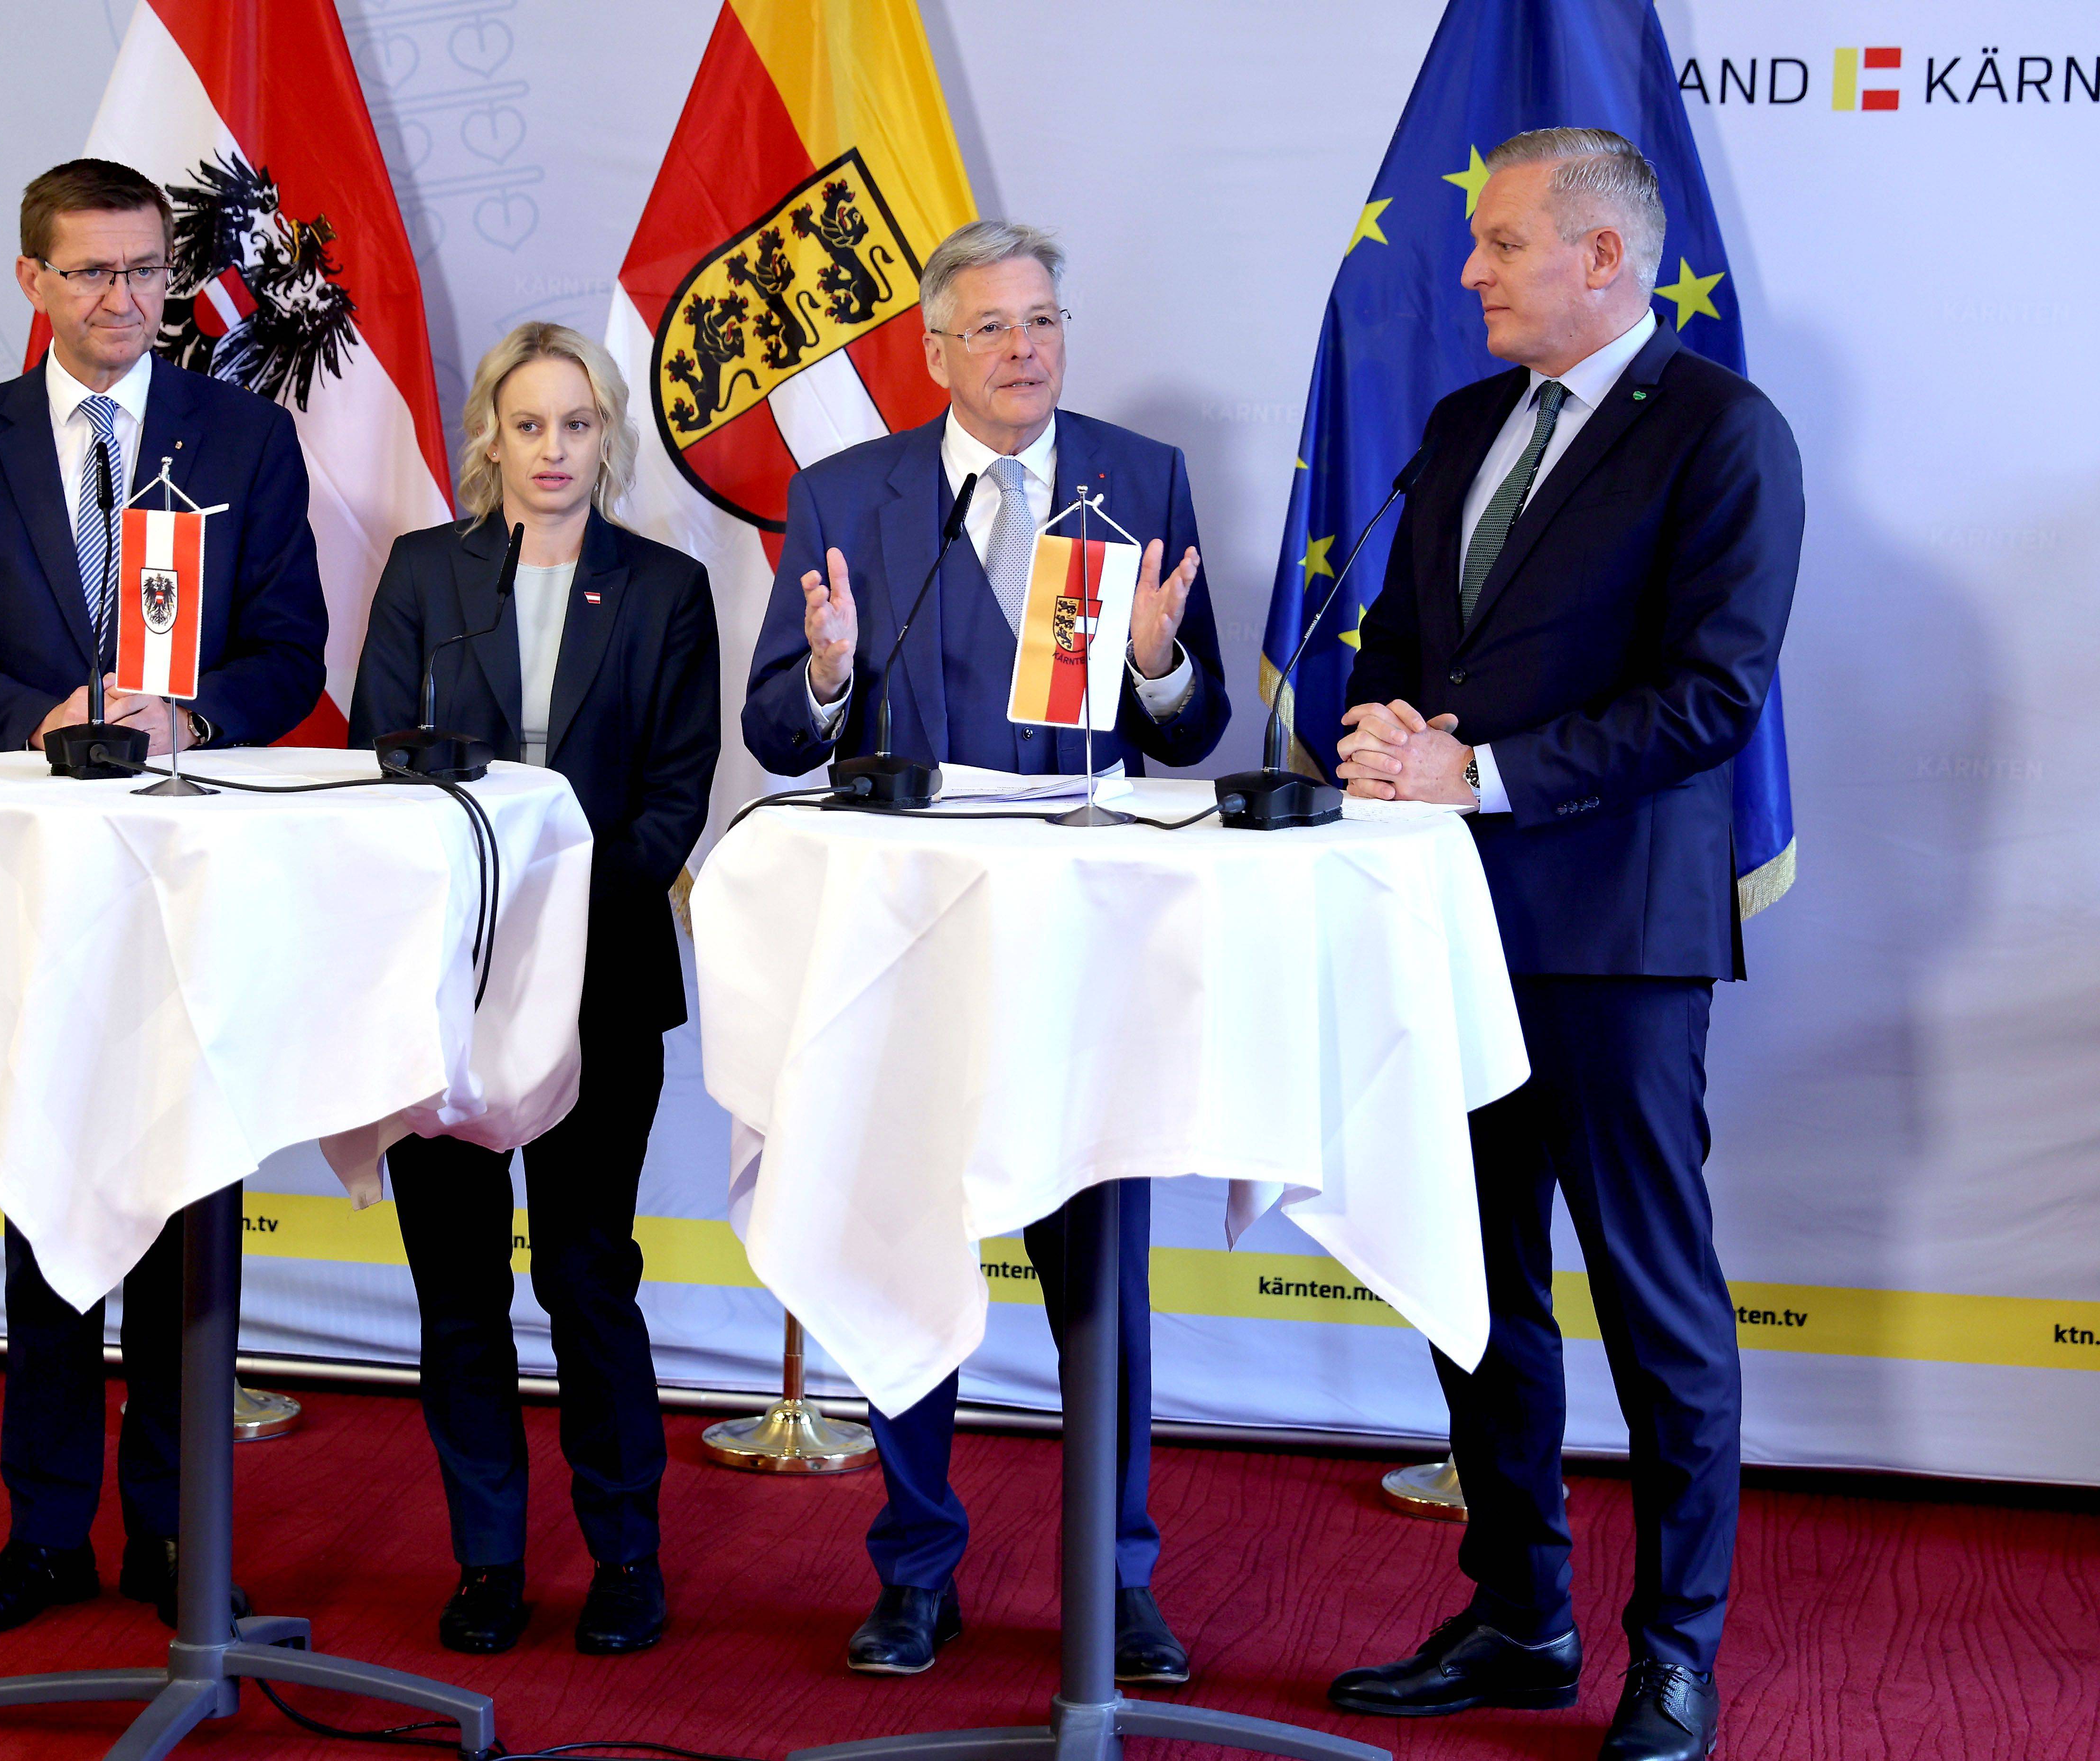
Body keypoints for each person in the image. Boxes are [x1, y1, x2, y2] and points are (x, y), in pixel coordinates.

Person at [1327, 129, 1800, 1761]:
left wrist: (1487, 774)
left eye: (1502, 245)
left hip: (1614, 942)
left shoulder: (1722, 435)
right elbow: (1396, 643)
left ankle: (1673, 1652)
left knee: (1654, 1303)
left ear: (1602, 258)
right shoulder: (1462, 426)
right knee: (1478, 1296)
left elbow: (1713, 695)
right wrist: (1381, 736)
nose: (1467, 273)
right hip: (1443, 931)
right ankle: (1518, 1615)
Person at [741, 219, 1226, 1681]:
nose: (1026, 350)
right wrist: (823, 672)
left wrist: (1153, 662)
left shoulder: (1135, 480)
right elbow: (775, 736)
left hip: (1084, 948)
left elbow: (1191, 739)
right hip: (917, 944)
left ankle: (1114, 1576)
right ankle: (914, 1571)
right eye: (994, 329)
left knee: (1103, 1283)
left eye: (1044, 321)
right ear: (935, 352)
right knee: (906, 1257)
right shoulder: (848, 495)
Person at [0, 158, 327, 1636]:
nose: (124, 300)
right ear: (34, 284)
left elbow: (291, 650)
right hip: (43, 901)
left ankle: (168, 1534)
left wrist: (182, 723)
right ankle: (42, 1537)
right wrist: (51, 717)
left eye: (145, 271)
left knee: (188, 1218)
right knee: (48, 1214)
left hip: (198, 889)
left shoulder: (244, 437)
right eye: (90, 273)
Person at [349, 323, 720, 1658]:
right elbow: (374, 769)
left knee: (581, 1276)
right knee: (456, 1292)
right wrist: (483, 935)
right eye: (530, 425)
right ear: (488, 438)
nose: (553, 449)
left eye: (578, 424)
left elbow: (675, 805)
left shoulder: (669, 590)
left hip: (598, 988)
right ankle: (489, 1562)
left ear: (606, 437)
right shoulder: (420, 575)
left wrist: (554, 938)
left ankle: (625, 1556)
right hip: (437, 988)